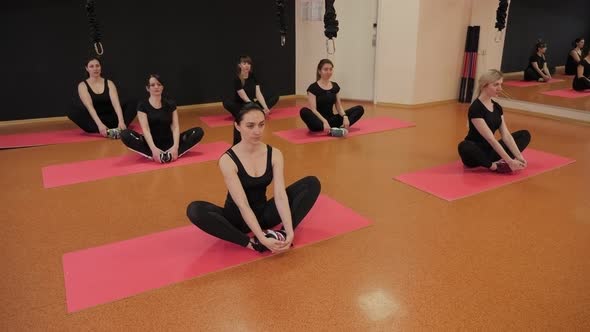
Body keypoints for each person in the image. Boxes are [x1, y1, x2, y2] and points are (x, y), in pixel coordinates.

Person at [187, 103, 321, 253]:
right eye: (250, 126)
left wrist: (289, 232)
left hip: (264, 216)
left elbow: (280, 196)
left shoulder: (275, 154)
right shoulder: (228, 159)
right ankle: (250, 243)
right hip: (236, 220)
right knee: (195, 210)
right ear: (237, 126)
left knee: (311, 183)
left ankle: (281, 234)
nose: (257, 131)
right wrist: (261, 239)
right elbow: (242, 204)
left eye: (261, 125)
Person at [458, 69, 531, 173]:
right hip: (475, 153)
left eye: (501, 84)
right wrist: (509, 161)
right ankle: (495, 167)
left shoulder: (497, 107)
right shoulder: (476, 108)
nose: (500, 88)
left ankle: (496, 162)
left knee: (524, 135)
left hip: (491, 151)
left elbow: (506, 135)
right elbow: (490, 139)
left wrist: (519, 157)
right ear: (484, 85)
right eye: (496, 85)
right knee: (464, 146)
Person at [120, 74, 204, 163]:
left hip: (170, 141)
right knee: (125, 134)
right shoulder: (142, 106)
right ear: (147, 88)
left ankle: (173, 153)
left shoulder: (170, 104)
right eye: (152, 85)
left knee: (198, 131)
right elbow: (146, 129)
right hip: (151, 144)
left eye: (159, 84)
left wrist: (175, 146)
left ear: (162, 87)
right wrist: (153, 149)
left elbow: (175, 127)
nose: (156, 87)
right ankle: (155, 154)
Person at [68, 56, 136, 138]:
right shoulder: (82, 85)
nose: (95, 69)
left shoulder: (109, 83)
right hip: (96, 120)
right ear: (87, 68)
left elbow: (116, 104)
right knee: (73, 111)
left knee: (133, 103)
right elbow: (90, 107)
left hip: (112, 118)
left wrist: (121, 121)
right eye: (91, 66)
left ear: (100, 67)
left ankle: (119, 128)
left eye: (97, 66)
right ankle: (104, 130)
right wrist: (100, 124)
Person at [222, 55, 279, 144]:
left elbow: (258, 93)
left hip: (252, 102)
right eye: (244, 63)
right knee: (226, 102)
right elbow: (243, 96)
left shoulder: (252, 76)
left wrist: (265, 107)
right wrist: (253, 106)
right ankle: (256, 111)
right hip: (241, 104)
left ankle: (257, 110)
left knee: (274, 96)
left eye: (248, 63)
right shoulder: (237, 78)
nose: (247, 65)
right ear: (240, 65)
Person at [299, 59, 364, 137]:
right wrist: (324, 121)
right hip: (319, 121)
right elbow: (313, 109)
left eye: (330, 69)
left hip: (332, 120)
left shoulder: (335, 86)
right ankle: (332, 130)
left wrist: (345, 117)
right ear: (319, 71)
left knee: (359, 109)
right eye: (325, 69)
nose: (329, 72)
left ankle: (340, 128)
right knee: (304, 111)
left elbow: (338, 106)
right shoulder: (313, 88)